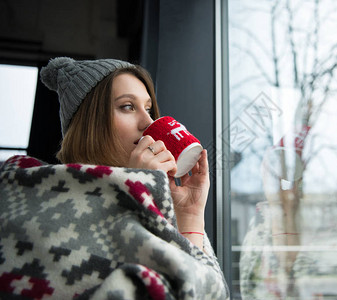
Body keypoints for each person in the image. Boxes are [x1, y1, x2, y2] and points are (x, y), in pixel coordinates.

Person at [0, 57, 229, 299]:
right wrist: (136, 188)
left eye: (148, 109)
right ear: (90, 123)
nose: (148, 122)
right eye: (127, 106)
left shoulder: (163, 207)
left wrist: (190, 217)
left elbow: (206, 292)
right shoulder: (31, 196)